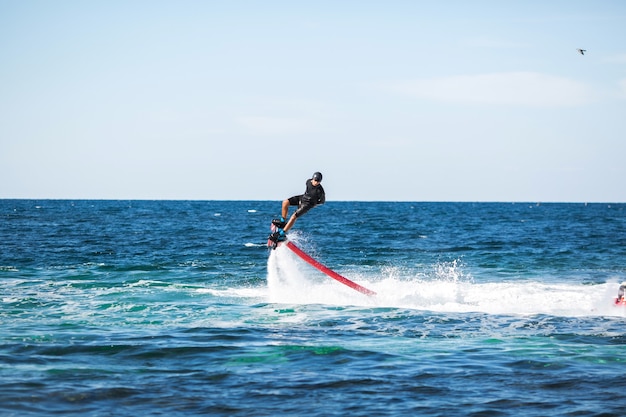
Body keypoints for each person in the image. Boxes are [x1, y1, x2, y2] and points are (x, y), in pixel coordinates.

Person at [270, 172, 325, 242]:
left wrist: (313, 204)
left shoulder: (320, 191)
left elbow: (322, 201)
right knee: (285, 202)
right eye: (315, 180)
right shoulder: (308, 181)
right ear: (312, 179)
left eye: (318, 181)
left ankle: (282, 234)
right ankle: (282, 221)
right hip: (302, 198)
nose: (316, 182)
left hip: (307, 205)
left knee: (293, 217)